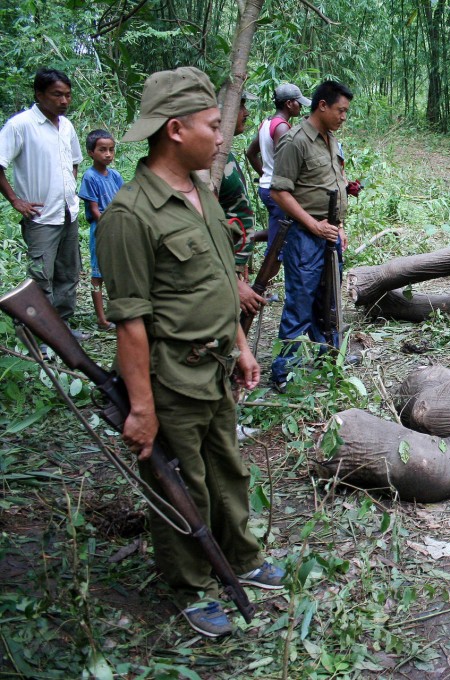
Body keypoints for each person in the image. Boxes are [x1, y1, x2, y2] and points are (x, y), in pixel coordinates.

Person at [95, 66, 283, 638]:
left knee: (226, 468)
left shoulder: (199, 192)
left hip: (217, 368)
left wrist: (243, 347)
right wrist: (142, 409)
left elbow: (223, 282)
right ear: (175, 130)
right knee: (181, 483)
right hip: (170, 377)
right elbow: (130, 324)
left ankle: (243, 559)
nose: (222, 135)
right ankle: (192, 585)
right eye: (211, 125)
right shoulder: (130, 215)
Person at [269, 80, 353, 390]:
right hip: (305, 237)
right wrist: (313, 224)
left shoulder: (329, 139)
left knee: (328, 299)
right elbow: (279, 192)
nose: (344, 117)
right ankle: (284, 373)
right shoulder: (296, 141)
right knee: (300, 303)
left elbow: (336, 184)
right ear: (322, 106)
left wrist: (338, 228)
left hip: (329, 235)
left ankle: (328, 355)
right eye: (340, 111)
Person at [0, 69, 83, 329]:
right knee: (41, 276)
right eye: (57, 95)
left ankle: (63, 329)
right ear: (39, 94)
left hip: (68, 212)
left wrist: (68, 189)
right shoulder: (20, 125)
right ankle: (44, 333)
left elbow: (74, 162)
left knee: (68, 273)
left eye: (68, 95)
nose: (64, 101)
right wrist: (16, 201)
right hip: (41, 217)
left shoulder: (66, 126)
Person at [245, 83, 310, 256]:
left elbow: (251, 153)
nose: (300, 106)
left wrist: (265, 175)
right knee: (277, 246)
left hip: (267, 187)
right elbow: (284, 162)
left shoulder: (266, 123)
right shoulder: (282, 127)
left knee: (280, 232)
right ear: (289, 104)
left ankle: (244, 237)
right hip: (277, 191)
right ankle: (261, 282)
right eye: (298, 102)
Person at [219, 90, 267, 320]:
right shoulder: (207, 163)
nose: (246, 113)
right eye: (241, 107)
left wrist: (241, 261)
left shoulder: (225, 155)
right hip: (219, 270)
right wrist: (230, 277)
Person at [78, 130, 124, 331]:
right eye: (102, 150)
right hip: (102, 230)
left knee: (116, 271)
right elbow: (95, 210)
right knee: (98, 275)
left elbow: (123, 201)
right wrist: (111, 222)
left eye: (111, 150)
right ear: (90, 152)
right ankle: (101, 318)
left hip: (117, 227)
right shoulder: (90, 177)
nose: (108, 154)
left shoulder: (115, 175)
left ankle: (117, 311)